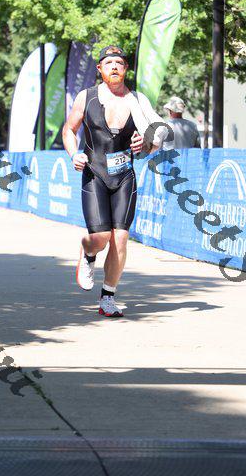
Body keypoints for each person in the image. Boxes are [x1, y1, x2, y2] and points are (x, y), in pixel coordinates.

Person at [62, 45, 167, 318]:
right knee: (100, 238)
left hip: (124, 177)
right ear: (100, 69)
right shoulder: (87, 97)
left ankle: (108, 297)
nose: (114, 67)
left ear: (125, 69)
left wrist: (145, 145)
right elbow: (69, 130)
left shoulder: (138, 101)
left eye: (119, 63)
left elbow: (155, 140)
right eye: (109, 63)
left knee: (120, 239)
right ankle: (88, 253)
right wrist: (74, 154)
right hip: (94, 174)